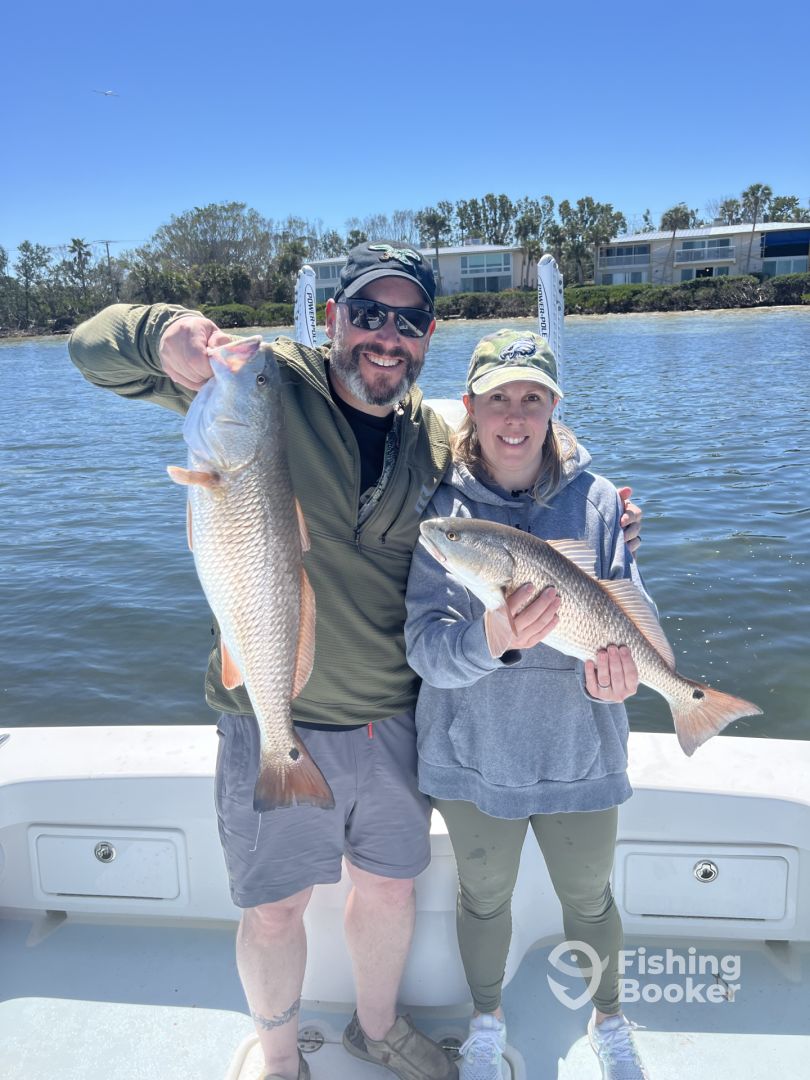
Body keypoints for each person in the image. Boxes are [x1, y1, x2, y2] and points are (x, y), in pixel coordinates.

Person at [68, 245, 642, 1080]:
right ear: (335, 317)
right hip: (272, 709)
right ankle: (278, 1059)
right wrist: (164, 335)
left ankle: (377, 1030)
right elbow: (92, 350)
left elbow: (514, 453)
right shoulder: (260, 384)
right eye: (369, 313)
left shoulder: (429, 435)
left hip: (391, 717)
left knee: (388, 891)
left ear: (428, 336)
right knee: (274, 909)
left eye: (409, 321)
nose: (386, 336)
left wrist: (602, 506)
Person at [404, 329, 651, 1080]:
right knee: (483, 899)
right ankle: (486, 1021)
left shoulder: (600, 501)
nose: (515, 417)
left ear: (553, 409)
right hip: (473, 753)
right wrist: (492, 637)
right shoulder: (440, 515)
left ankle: (610, 1018)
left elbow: (630, 614)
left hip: (582, 748)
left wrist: (624, 677)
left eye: (533, 399)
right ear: (470, 407)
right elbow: (424, 649)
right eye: (498, 399)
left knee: (590, 897)